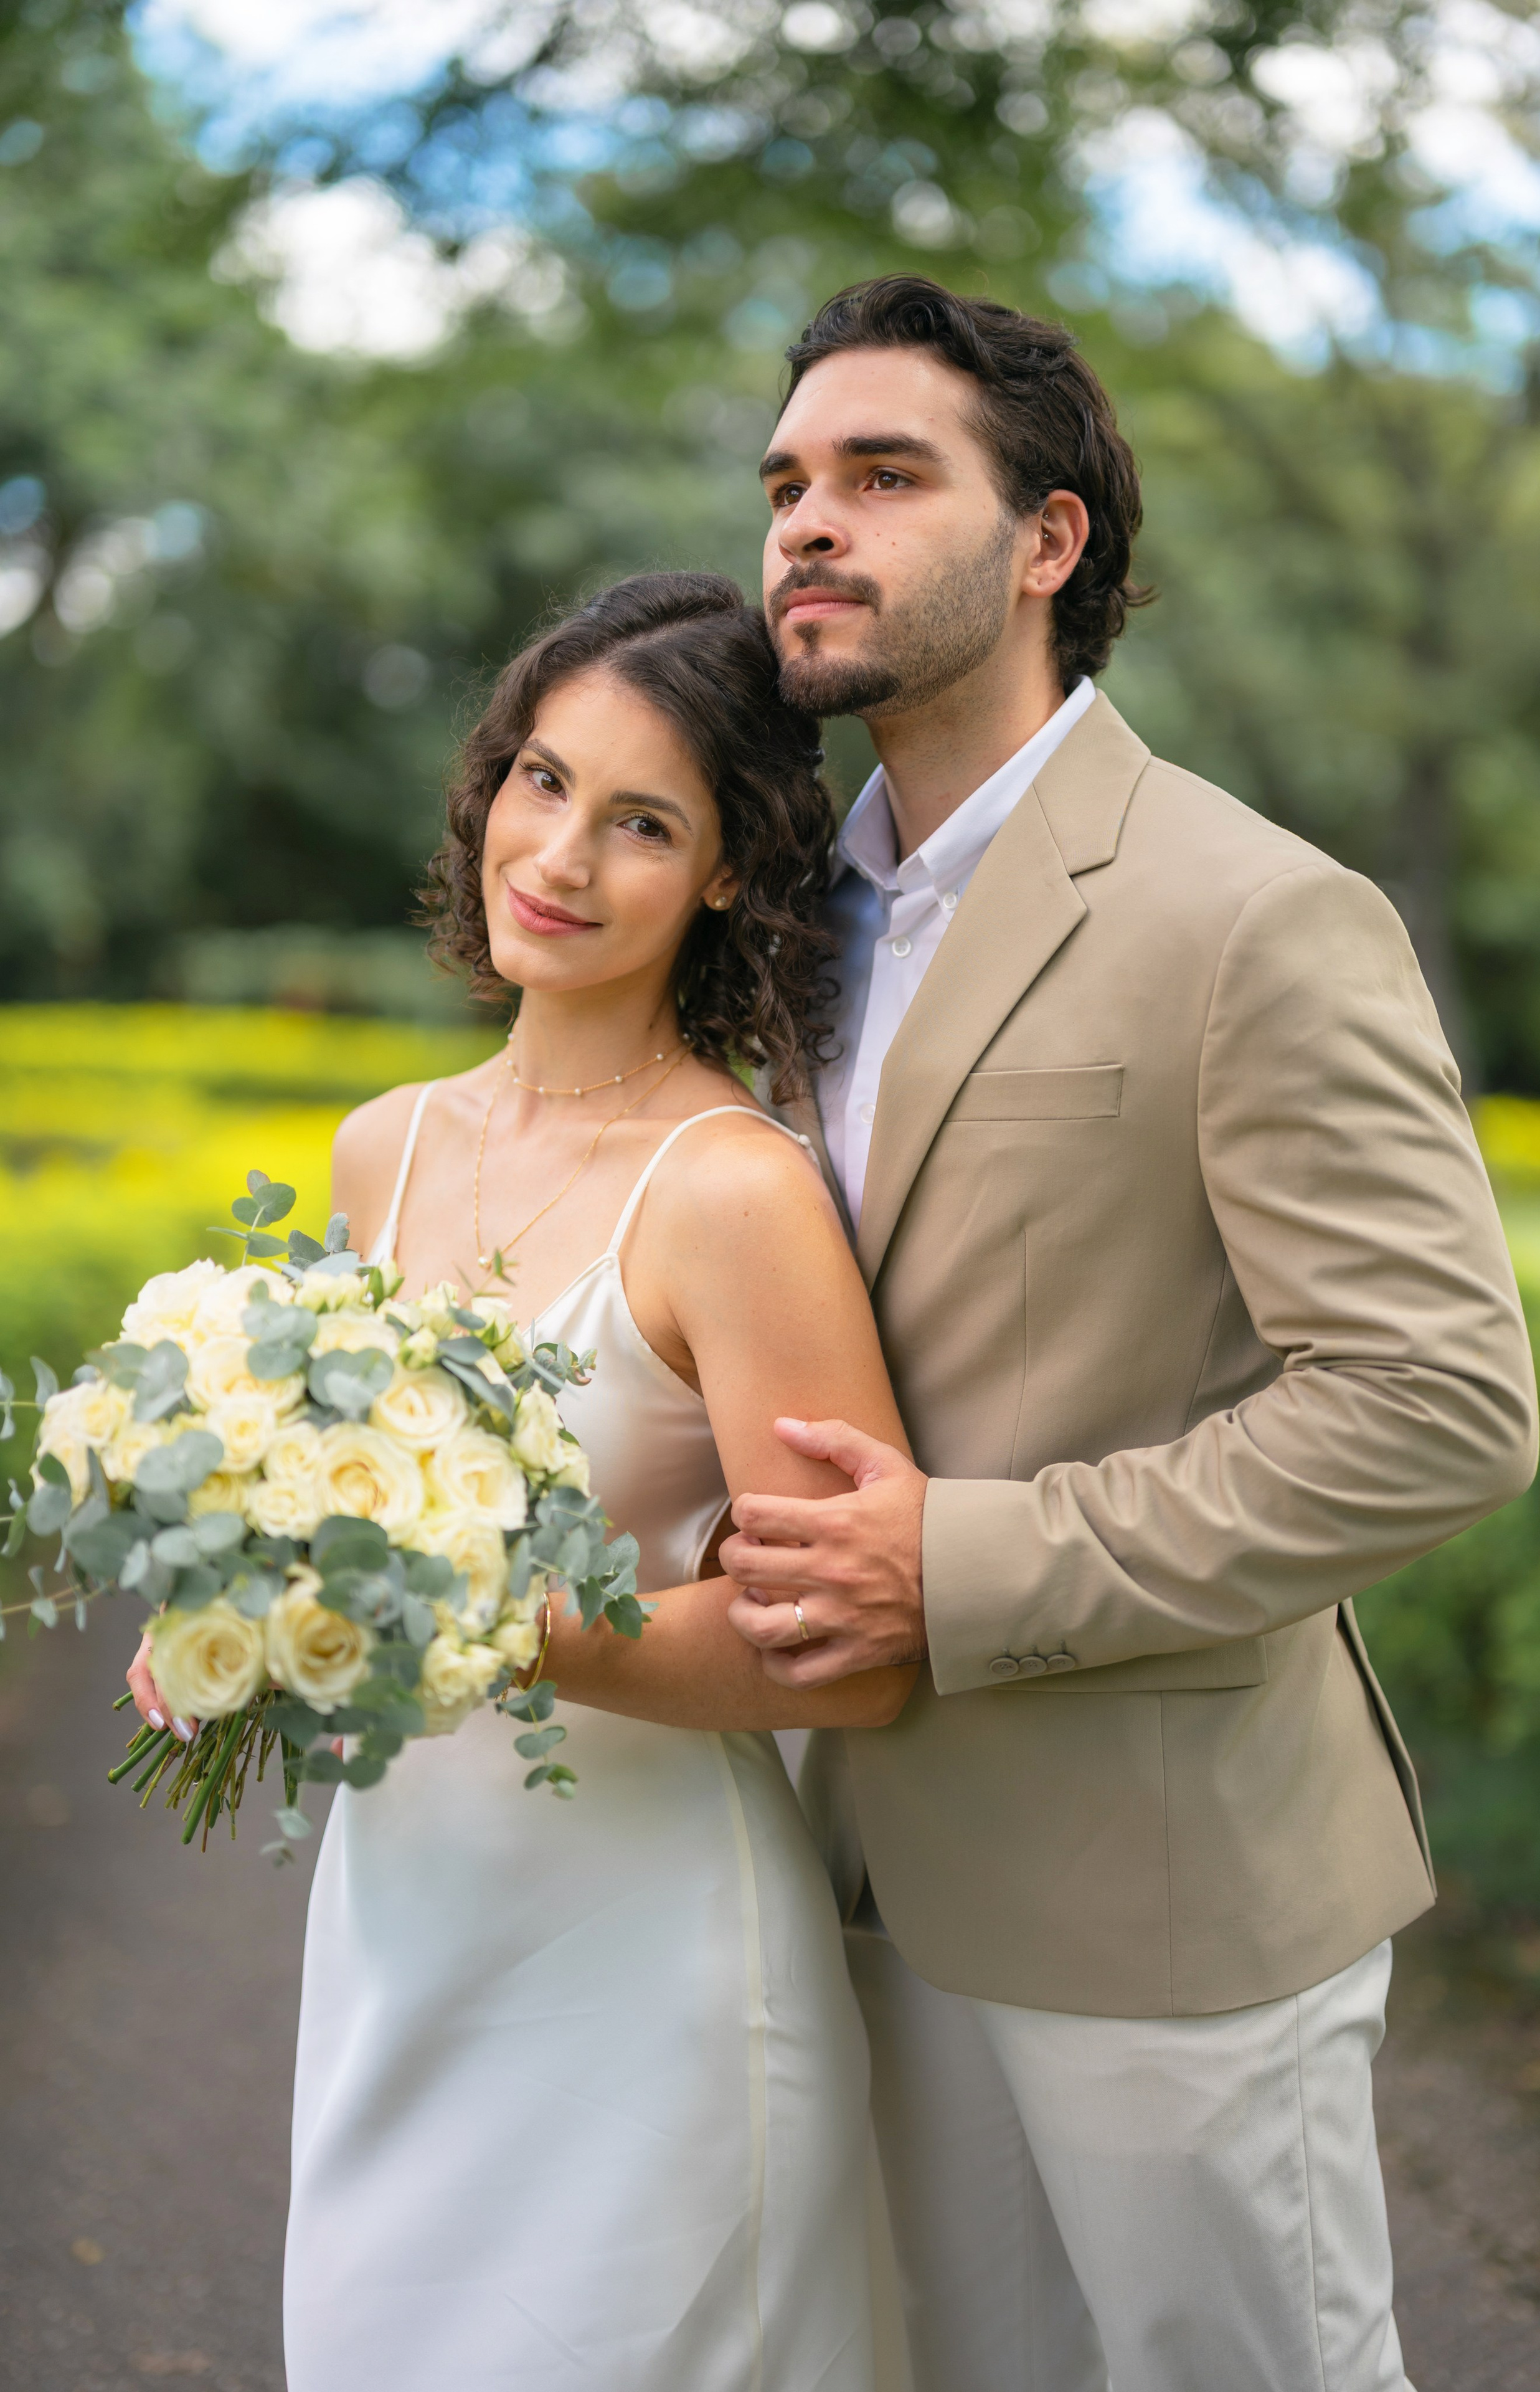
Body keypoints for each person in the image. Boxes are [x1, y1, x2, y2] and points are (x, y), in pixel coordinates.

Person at [715, 277, 1540, 2391]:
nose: (809, 523)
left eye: (885, 478)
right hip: (830, 1871)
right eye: (791, 482)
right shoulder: (784, 928)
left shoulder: (1254, 912)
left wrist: (960, 1566)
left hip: (1166, 1902)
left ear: (1051, 542)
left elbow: (1435, 1408)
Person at [128, 572, 916, 2392]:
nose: (558, 854)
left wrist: (530, 1633)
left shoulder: (735, 1194)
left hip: (647, 1967)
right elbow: (333, 1504)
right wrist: (238, 1607)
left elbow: (860, 1654)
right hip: (404, 1916)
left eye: (643, 822)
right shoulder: (379, 1151)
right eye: (541, 781)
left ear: (726, 871)